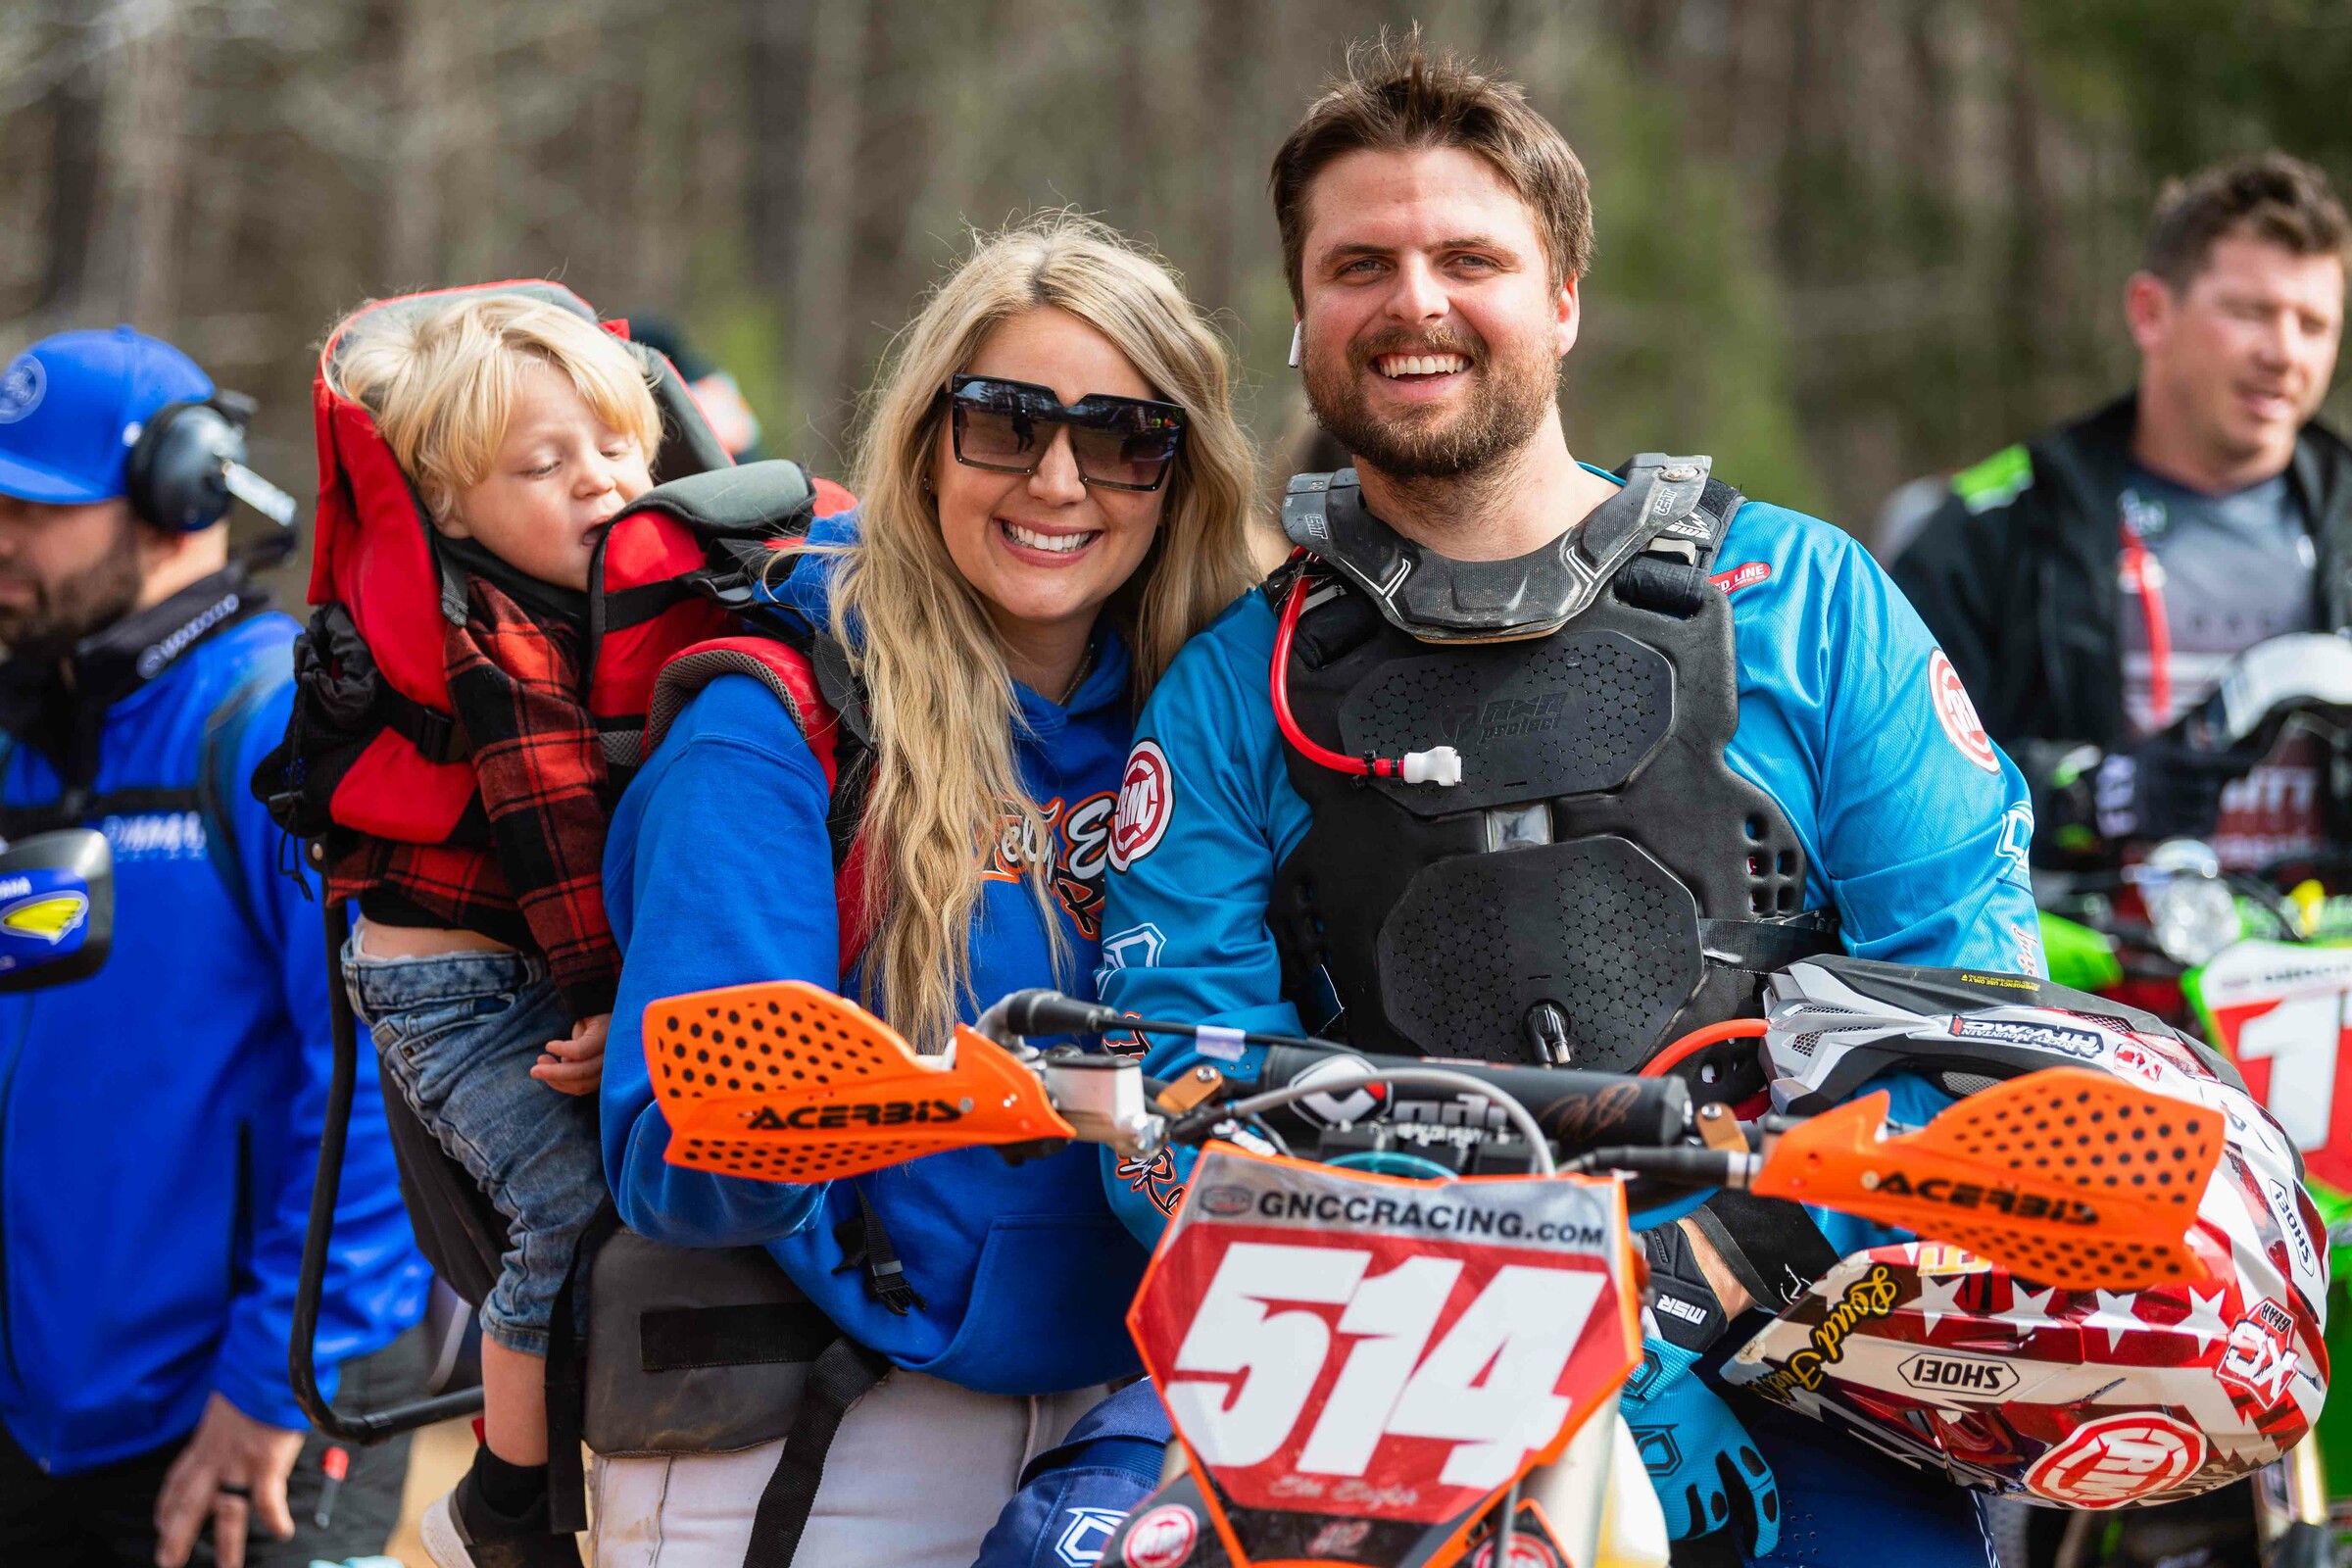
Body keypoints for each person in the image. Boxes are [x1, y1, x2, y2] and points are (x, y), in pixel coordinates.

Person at [1089, 39, 2050, 1567]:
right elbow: (1166, 1096)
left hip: (1809, 1378)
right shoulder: (1231, 692)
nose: (1414, 302)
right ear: (1303, 316)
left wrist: (1707, 1283)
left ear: (1564, 300)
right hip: (1400, 1396)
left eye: (1470, 256)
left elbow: (1982, 1015)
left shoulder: (1810, 606)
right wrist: (1473, 1297)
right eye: (1360, 265)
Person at [595, 213, 1262, 1568]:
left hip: (1160, 1419)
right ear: (925, 439)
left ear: (1180, 472)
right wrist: (919, 1096)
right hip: (836, 1436)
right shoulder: (783, 715)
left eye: (1124, 436)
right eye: (1007, 424)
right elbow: (676, 1146)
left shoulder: (1235, 704)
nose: (1061, 481)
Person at [0, 327, 428, 1566]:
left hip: (249, 1415)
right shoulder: (29, 732)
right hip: (42, 1422)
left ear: (178, 494)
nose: (4, 539)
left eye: (38, 506)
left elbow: (375, 1088)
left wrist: (275, 1385)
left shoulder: (276, 732)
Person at [309, 294, 663, 1567]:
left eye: (618, 449)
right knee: (562, 1213)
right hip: (448, 984)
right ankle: (503, 1501)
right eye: (545, 465)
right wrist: (608, 1006)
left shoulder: (609, 602)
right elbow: (554, 830)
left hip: (520, 963)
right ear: (453, 509)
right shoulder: (493, 638)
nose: (599, 485)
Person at [1894, 154, 2349, 871]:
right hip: (2087, 973)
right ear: (2149, 312)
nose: (2284, 353)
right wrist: (2092, 794)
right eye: (2250, 312)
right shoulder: (1998, 523)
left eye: (2315, 324)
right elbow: (1894, 776)